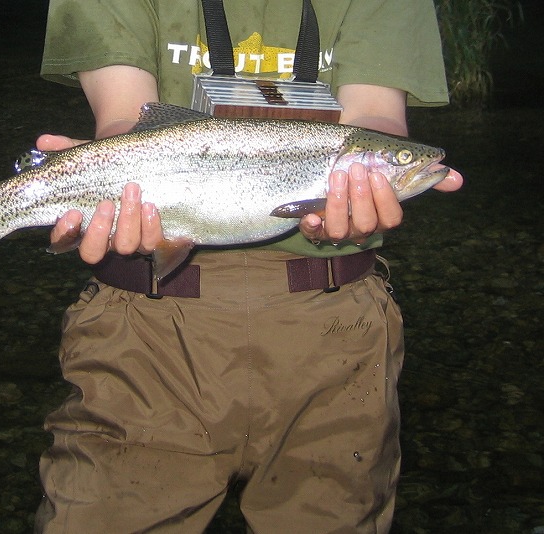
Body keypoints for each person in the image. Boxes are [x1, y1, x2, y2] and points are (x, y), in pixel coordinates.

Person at [33, 1, 464, 533]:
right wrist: (98, 174)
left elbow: (375, 118)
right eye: (402, 161)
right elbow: (125, 120)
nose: (411, 164)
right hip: (144, 329)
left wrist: (377, 180)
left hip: (336, 334)